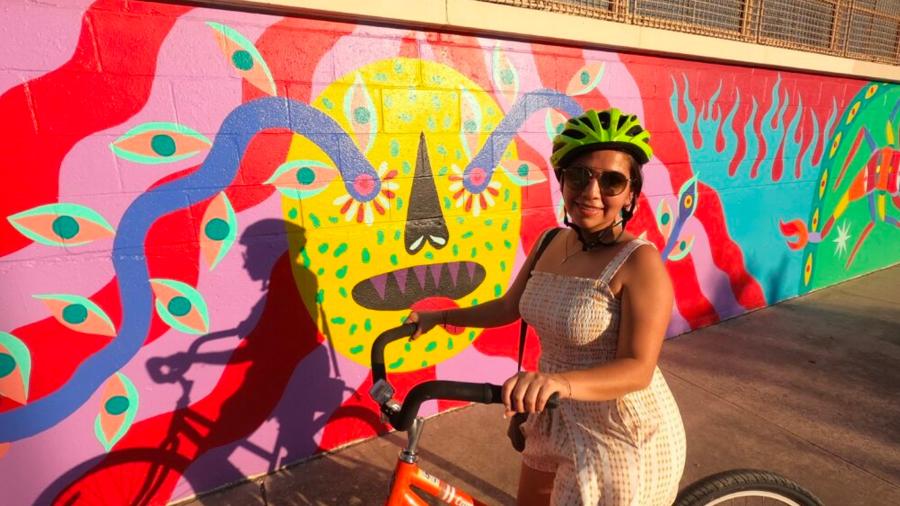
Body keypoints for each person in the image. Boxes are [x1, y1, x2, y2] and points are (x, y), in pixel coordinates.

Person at [406, 108, 686, 505]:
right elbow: (508, 307)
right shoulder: (549, 242)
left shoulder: (639, 262)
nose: (591, 192)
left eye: (611, 181)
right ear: (562, 181)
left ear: (630, 194)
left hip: (617, 434)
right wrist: (442, 317)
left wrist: (558, 382)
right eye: (579, 175)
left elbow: (638, 369)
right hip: (553, 414)